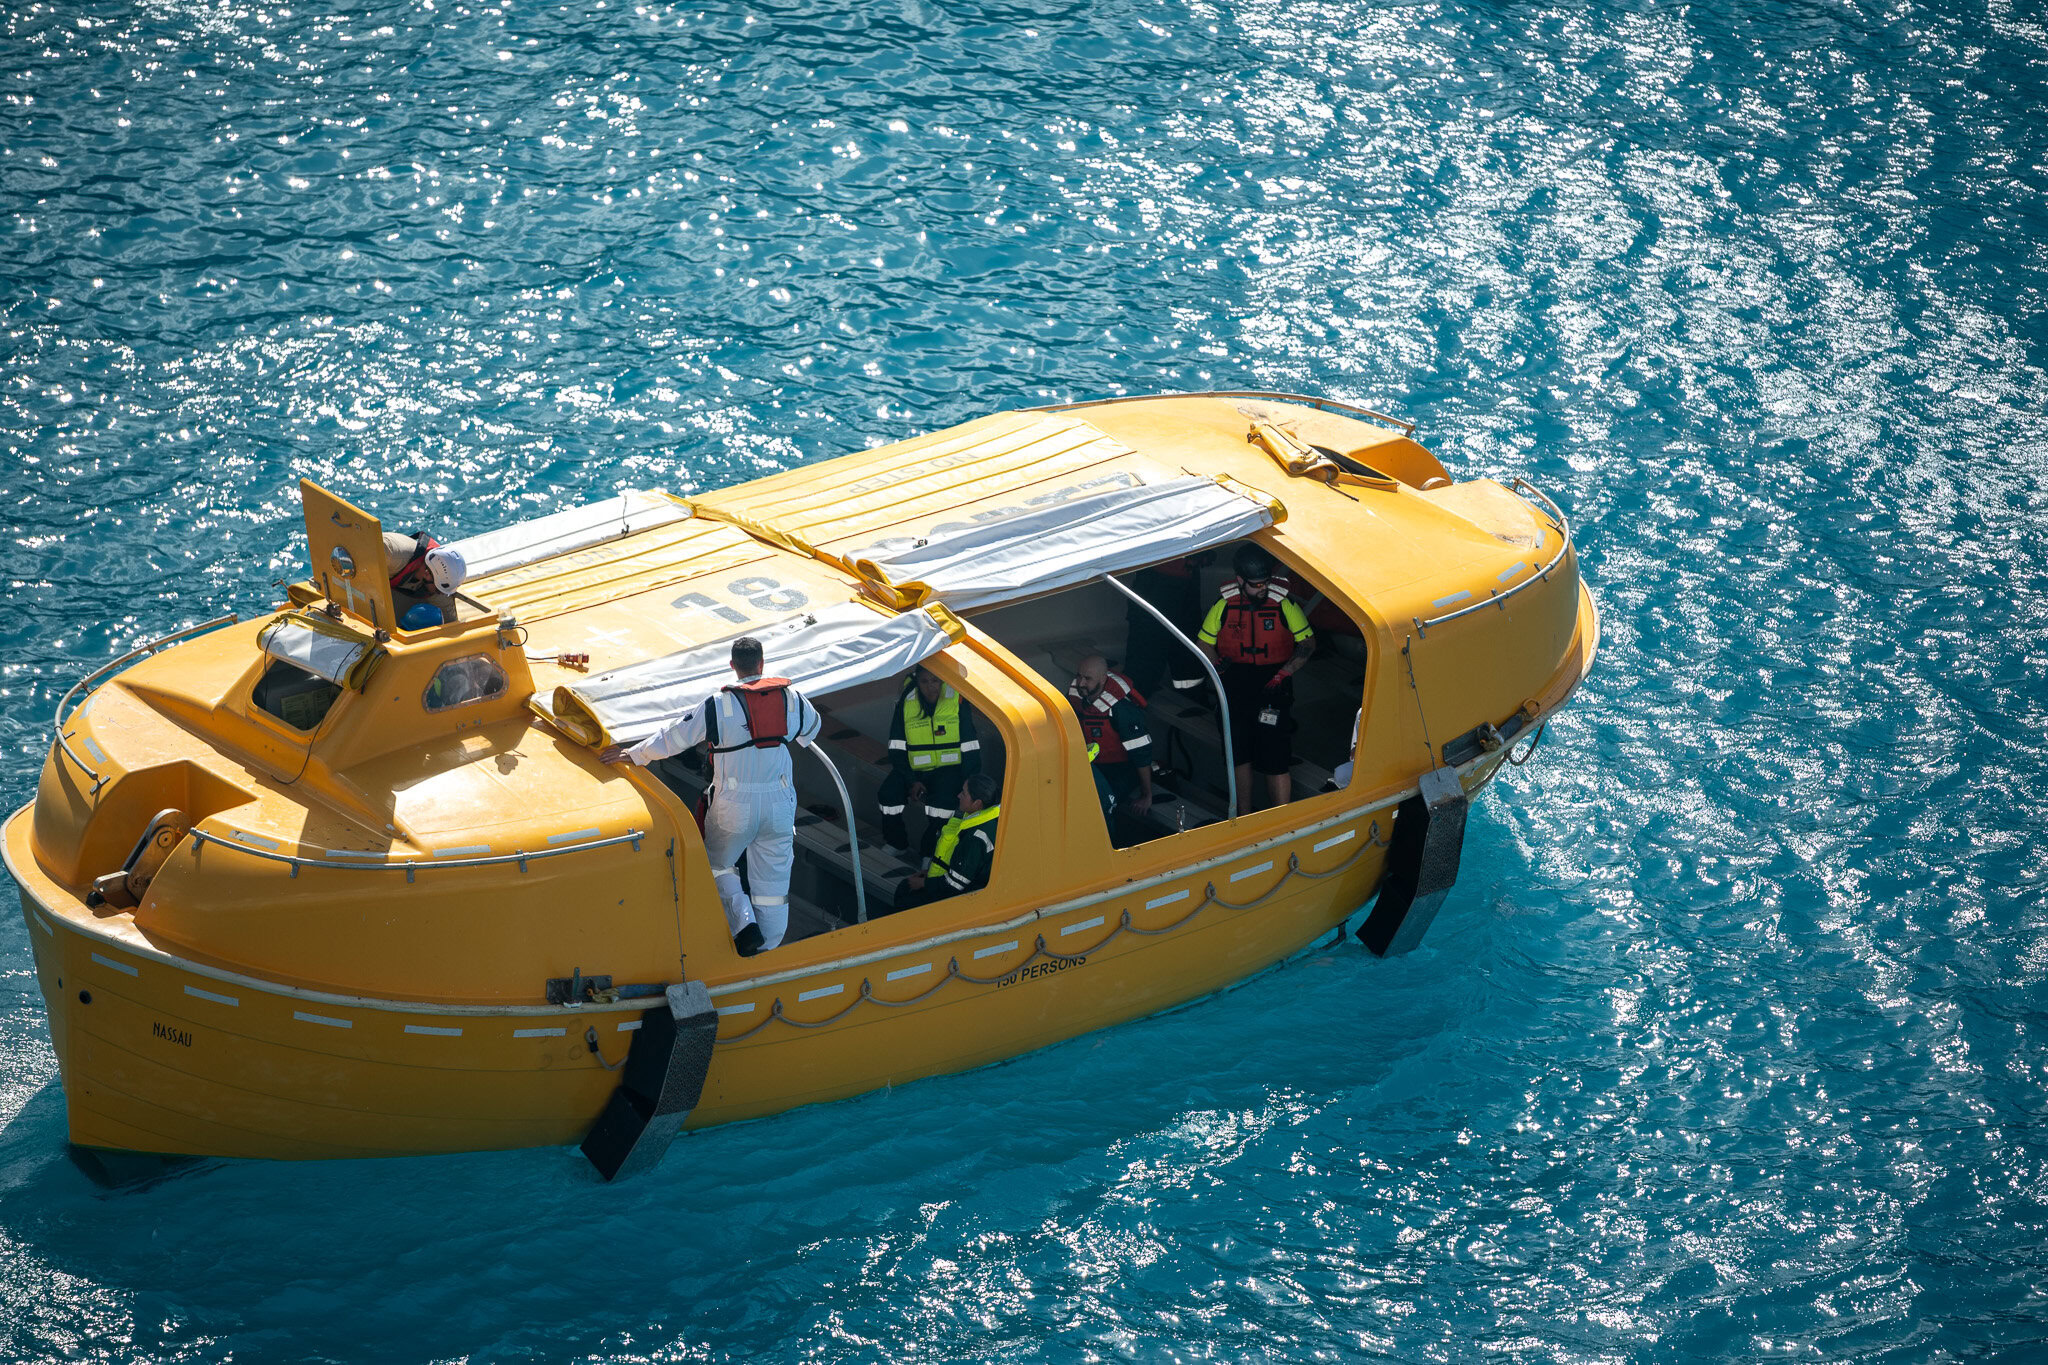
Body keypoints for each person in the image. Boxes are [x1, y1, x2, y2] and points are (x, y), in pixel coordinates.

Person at [600, 637, 820, 956]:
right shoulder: (792, 697)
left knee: (716, 865)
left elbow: (675, 737)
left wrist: (633, 755)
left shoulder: (718, 704)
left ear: (733, 666)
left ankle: (744, 926)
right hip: (779, 804)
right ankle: (769, 949)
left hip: (734, 804)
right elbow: (812, 729)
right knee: (773, 885)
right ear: (762, 663)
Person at [1199, 544, 1316, 815]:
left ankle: (1280, 817)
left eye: (1265, 583)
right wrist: (1218, 666)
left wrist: (1285, 672)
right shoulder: (1224, 606)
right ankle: (1243, 814)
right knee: (1239, 752)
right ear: (1240, 581)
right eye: (1255, 585)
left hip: (1273, 682)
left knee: (1276, 755)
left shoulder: (1284, 604)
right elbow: (1204, 642)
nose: (1262, 589)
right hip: (1235, 682)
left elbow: (1307, 644)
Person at [877, 665, 981, 856]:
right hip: (914, 769)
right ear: (917, 681)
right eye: (924, 681)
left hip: (947, 770)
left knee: (941, 808)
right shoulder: (906, 703)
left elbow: (970, 746)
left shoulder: (956, 702)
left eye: (935, 681)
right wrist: (911, 780)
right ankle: (896, 843)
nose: (930, 687)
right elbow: (896, 747)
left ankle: (929, 854)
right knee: (888, 796)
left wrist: (969, 782)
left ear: (942, 681)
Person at [1067, 655, 1154, 829]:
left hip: (1122, 769)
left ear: (1103, 679)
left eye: (1088, 678)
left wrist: (1147, 796)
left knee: (1098, 807)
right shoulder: (1078, 695)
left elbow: (1141, 755)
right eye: (1079, 676)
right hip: (1091, 765)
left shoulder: (1122, 710)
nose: (1081, 683)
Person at [893, 773, 1000, 912]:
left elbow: (955, 885)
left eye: (964, 793)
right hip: (953, 885)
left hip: (959, 901)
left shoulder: (976, 838)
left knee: (904, 896)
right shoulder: (985, 820)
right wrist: (929, 873)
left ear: (977, 803)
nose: (958, 796)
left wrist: (924, 883)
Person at [1123, 553, 1211, 698]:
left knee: (1187, 665)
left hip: (1181, 582)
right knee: (1144, 662)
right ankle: (1133, 704)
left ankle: (1193, 703)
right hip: (1155, 581)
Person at [383, 530, 467, 627]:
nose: (440, 594)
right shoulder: (390, 553)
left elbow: (450, 623)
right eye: (439, 591)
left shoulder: (435, 582)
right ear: (427, 574)